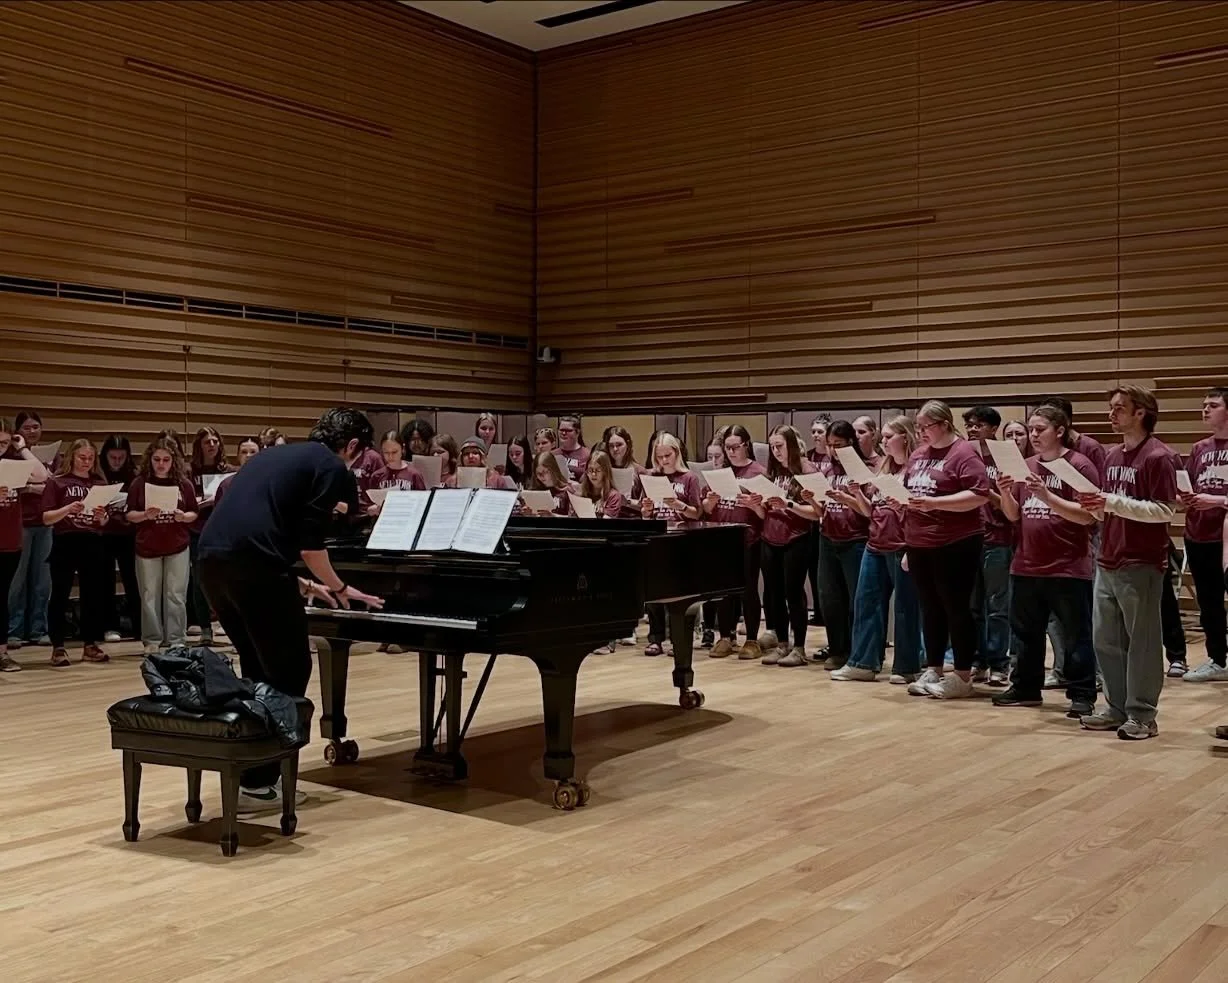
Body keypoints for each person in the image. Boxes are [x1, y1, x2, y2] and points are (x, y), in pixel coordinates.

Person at [197, 408, 384, 811]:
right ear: (351, 446)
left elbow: (257, 529)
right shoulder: (333, 467)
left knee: (257, 667)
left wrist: (302, 584)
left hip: (211, 563)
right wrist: (339, 587)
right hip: (253, 567)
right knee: (289, 670)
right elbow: (309, 545)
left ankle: (250, 774)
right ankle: (260, 783)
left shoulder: (274, 457)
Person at [1076, 385, 1178, 740]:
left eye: (1120, 408)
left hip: (1142, 561)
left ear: (1141, 413)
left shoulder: (1158, 456)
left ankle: (1143, 715)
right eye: (1111, 408)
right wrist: (1097, 505)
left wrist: (1111, 501)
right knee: (1106, 640)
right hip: (1108, 557)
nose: (1111, 414)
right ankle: (1116, 707)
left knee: (1143, 642)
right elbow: (1111, 506)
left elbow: (1165, 510)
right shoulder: (1111, 455)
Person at [990, 406, 1099, 717]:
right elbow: (1014, 516)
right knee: (1025, 633)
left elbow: (1088, 516)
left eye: (1040, 429)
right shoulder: (1025, 465)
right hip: (1026, 563)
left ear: (1060, 431)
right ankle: (1026, 687)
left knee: (1075, 634)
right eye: (1031, 429)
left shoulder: (1079, 465)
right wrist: (1005, 493)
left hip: (1067, 565)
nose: (1034, 435)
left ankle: (1081, 694)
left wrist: (1048, 496)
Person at [902, 400, 991, 699]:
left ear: (943, 424)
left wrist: (935, 503)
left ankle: (963, 674)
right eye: (918, 427)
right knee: (930, 608)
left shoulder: (963, 453)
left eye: (925, 427)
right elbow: (911, 492)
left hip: (955, 542)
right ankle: (934, 667)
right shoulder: (918, 455)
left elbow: (979, 495)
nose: (920, 433)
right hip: (919, 541)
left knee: (956, 608)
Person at [1177, 386, 1228, 682]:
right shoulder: (1200, 448)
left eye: (1213, 404)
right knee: (1208, 603)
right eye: (1204, 404)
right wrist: (1188, 497)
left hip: (1225, 536)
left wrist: (1218, 500)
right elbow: (1192, 485)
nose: (1206, 409)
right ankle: (1217, 659)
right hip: (1198, 534)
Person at [962, 405, 1012, 685]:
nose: (971, 429)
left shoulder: (1003, 459)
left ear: (993, 429)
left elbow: (1008, 506)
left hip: (997, 539)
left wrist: (988, 494)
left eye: (978, 424)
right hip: (969, 538)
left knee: (996, 605)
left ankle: (999, 663)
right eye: (969, 424)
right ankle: (978, 659)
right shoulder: (965, 456)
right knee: (972, 606)